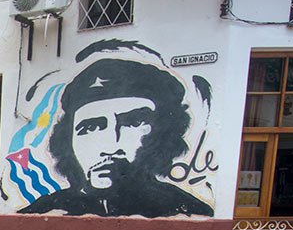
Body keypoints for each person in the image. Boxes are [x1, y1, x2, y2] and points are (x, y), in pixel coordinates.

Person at [20, 58, 214, 218]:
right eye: (91, 127)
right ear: (67, 142)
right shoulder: (45, 211)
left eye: (133, 123)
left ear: (164, 134)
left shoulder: (185, 211)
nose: (110, 146)